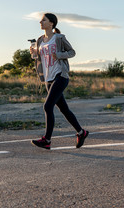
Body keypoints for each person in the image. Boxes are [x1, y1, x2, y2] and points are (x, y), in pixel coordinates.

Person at [29, 13, 89, 150]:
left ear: (51, 23)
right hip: (48, 78)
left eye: (43, 20)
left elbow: (72, 52)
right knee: (64, 109)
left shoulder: (59, 38)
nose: (40, 22)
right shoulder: (40, 40)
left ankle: (47, 140)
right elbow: (39, 57)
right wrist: (34, 52)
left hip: (60, 75)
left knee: (47, 106)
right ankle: (81, 132)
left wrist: (60, 55)